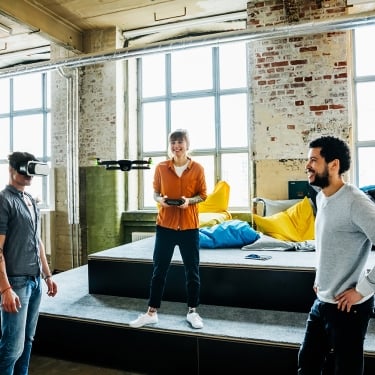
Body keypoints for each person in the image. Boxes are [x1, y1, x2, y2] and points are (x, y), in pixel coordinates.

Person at [298, 136, 375, 374]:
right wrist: (320, 277)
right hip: (322, 302)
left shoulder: (356, 202)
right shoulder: (321, 196)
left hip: (348, 308)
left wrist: (362, 290)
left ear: (334, 165)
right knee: (307, 365)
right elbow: (328, 243)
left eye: (313, 160)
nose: (307, 166)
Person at [130, 129, 207, 329]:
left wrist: (189, 201)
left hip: (190, 227)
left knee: (192, 271)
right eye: (173, 143)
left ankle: (193, 312)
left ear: (187, 145)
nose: (176, 146)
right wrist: (160, 200)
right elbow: (155, 193)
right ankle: (151, 312)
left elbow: (203, 195)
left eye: (180, 142)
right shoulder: (161, 167)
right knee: (159, 270)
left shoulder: (198, 168)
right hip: (165, 226)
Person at [0, 151, 57, 375]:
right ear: (12, 170)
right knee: (12, 348)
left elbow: (37, 240)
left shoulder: (31, 200)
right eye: (26, 169)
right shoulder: (4, 200)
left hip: (34, 281)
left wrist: (47, 274)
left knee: (27, 341)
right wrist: (5, 288)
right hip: (15, 283)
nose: (30, 175)